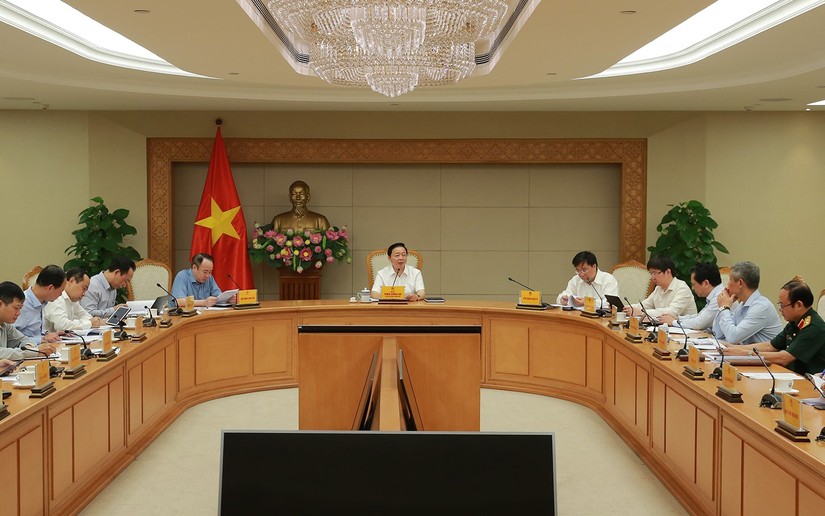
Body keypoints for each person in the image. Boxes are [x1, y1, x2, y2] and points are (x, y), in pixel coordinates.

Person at [722, 279, 825, 375]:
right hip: (790, 375)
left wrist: (745, 354)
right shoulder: (794, 323)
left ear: (798, 305)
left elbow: (784, 358)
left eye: (782, 305)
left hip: (808, 382)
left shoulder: (814, 327)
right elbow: (770, 346)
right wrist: (731, 347)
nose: (780, 309)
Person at [712, 261, 783, 344]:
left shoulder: (761, 307)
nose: (727, 284)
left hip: (763, 353)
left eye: (730, 280)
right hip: (747, 351)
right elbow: (717, 335)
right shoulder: (742, 305)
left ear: (740, 283)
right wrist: (722, 309)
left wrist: (724, 308)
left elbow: (733, 338)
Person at [624, 255, 696, 321]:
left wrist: (642, 312)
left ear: (668, 272)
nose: (653, 277)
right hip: (666, 327)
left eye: (655, 273)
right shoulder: (659, 288)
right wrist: (628, 308)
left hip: (685, 329)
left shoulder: (682, 288)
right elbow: (645, 305)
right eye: (651, 273)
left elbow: (672, 312)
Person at [0, 281, 56, 360]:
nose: (19, 313)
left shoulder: (5, 325)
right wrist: (33, 352)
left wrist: (29, 347)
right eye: (16, 308)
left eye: (20, 308)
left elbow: (23, 340)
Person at [659, 262, 723, 331]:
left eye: (693, 284)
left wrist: (673, 322)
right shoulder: (715, 294)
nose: (692, 288)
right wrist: (678, 318)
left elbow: (699, 323)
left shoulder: (720, 297)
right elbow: (700, 316)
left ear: (706, 283)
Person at [14, 264, 66, 345]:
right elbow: (12, 339)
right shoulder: (22, 304)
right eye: (61, 290)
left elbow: (34, 330)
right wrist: (41, 339)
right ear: (50, 288)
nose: (61, 294)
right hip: (27, 349)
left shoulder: (42, 302)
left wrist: (47, 334)